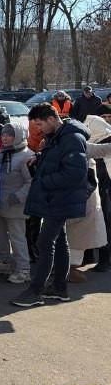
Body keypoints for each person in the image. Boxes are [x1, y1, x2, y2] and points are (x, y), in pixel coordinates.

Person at [11, 103, 88, 307]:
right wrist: (38, 160)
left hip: (61, 199)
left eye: (40, 124)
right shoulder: (57, 137)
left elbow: (74, 173)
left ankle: (35, 292)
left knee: (44, 243)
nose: (38, 129)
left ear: (52, 119)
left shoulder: (72, 138)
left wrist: (44, 181)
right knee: (59, 242)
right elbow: (59, 162)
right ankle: (59, 288)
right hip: (56, 199)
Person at [64, 116, 111, 282]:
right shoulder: (68, 145)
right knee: (75, 233)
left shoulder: (80, 143)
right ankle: (69, 267)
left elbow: (102, 150)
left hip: (89, 197)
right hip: (78, 197)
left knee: (81, 233)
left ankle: (74, 266)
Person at [0, 123, 33, 284]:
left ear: (18, 136)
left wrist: (18, 196)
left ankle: (23, 269)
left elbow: (31, 182)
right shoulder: (1, 153)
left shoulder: (27, 156)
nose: (5, 138)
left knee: (18, 238)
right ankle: (3, 262)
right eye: (3, 135)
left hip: (15, 205)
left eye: (9, 135)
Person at [86, 115, 111, 272]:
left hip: (104, 193)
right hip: (102, 191)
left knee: (104, 225)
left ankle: (103, 260)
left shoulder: (100, 146)